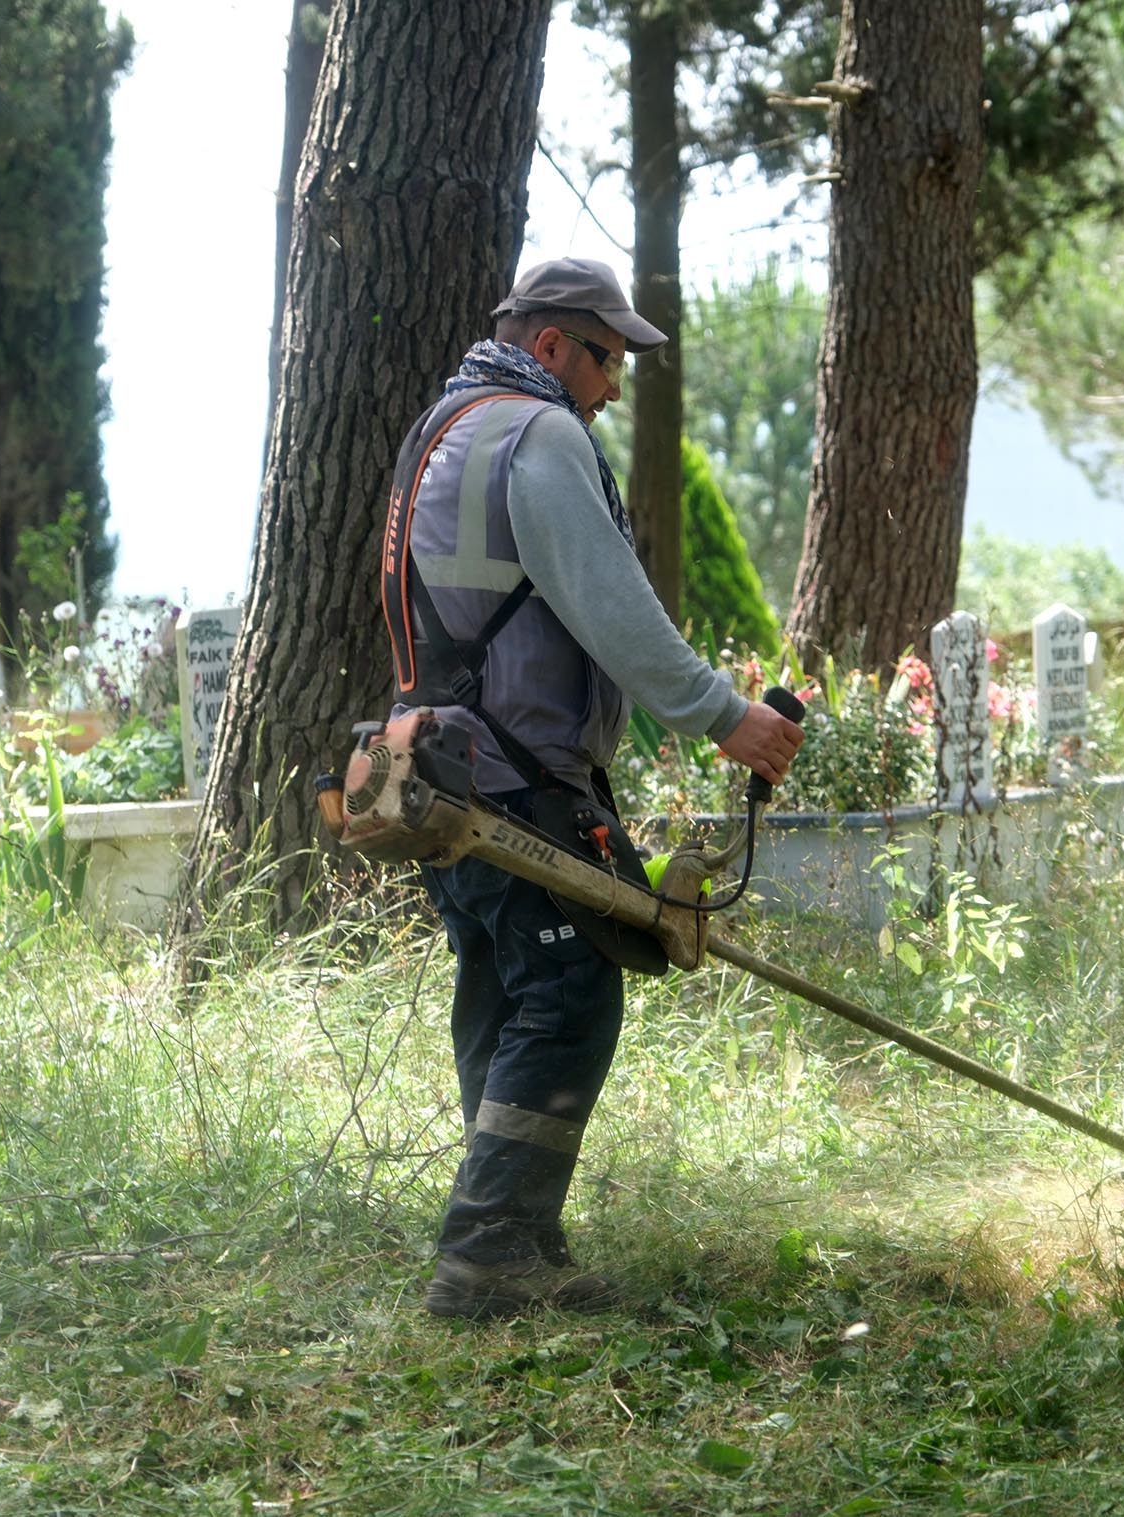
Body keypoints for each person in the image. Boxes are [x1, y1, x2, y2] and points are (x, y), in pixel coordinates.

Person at [381, 257, 802, 1320]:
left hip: (435, 761)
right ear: (549, 344)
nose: (614, 386)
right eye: (606, 358)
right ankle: (485, 1256)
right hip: (509, 772)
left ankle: (517, 1241)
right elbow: (608, 604)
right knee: (567, 991)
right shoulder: (537, 433)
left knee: (503, 985)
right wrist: (725, 714)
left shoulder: (441, 428)